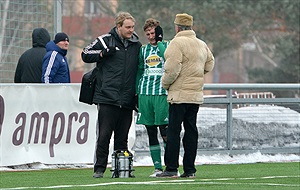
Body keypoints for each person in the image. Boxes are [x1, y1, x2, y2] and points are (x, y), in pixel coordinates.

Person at [81, 12, 141, 178]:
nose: (131, 30)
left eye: (132, 27)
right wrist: (102, 53)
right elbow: (85, 54)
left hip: (127, 98)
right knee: (104, 136)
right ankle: (99, 169)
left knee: (122, 138)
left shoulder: (137, 44)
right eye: (128, 27)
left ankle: (120, 170)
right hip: (107, 97)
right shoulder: (104, 40)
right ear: (118, 26)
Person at [156, 13, 215, 178]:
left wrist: (166, 84)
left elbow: (171, 69)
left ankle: (172, 168)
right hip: (195, 95)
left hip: (179, 95)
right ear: (190, 26)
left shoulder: (176, 43)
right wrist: (197, 72)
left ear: (177, 27)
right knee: (191, 131)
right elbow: (210, 63)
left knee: (174, 131)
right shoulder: (201, 44)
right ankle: (190, 169)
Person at [136, 18, 169, 177]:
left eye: (153, 33)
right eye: (148, 34)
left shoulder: (167, 46)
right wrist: (136, 92)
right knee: (150, 131)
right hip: (145, 94)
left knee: (165, 131)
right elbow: (139, 71)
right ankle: (157, 167)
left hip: (162, 94)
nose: (150, 36)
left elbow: (166, 57)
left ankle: (171, 165)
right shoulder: (143, 50)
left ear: (159, 32)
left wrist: (161, 41)